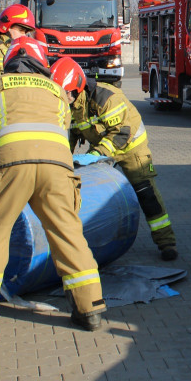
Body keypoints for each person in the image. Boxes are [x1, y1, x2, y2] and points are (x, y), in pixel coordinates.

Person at [0, 29, 105, 332]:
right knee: (68, 234)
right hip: (57, 169)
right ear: (42, 63)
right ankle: (90, 308)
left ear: (11, 61)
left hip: (10, 167)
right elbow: (61, 134)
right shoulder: (56, 90)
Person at [50, 57, 179, 262]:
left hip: (131, 147)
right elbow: (72, 135)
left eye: (63, 93)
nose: (60, 98)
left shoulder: (106, 97)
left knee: (146, 194)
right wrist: (63, 159)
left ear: (75, 88)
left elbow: (122, 132)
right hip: (101, 146)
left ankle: (166, 242)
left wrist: (97, 154)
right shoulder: (70, 105)